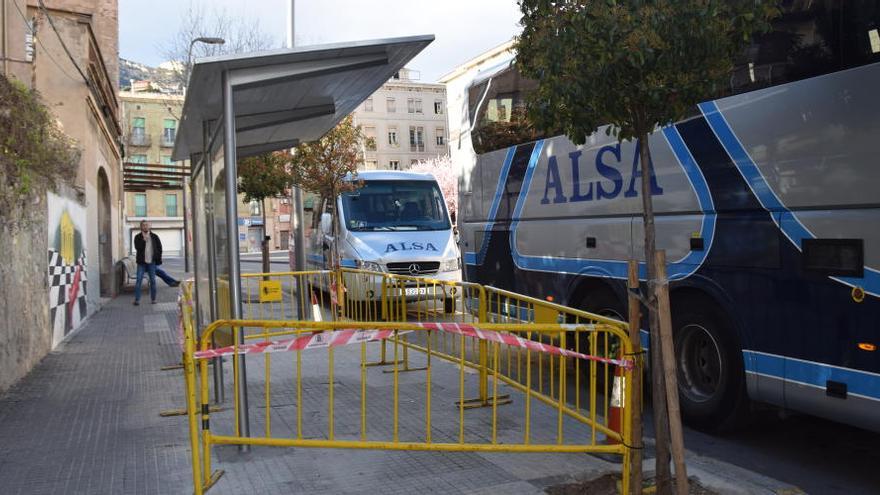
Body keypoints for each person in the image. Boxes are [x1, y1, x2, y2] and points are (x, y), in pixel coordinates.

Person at [132, 221, 178, 305]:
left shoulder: (154, 236)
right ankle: (137, 300)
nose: (145, 227)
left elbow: (159, 248)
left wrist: (158, 259)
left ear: (149, 226)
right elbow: (137, 248)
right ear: (141, 227)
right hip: (141, 263)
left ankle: (153, 299)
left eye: (147, 225)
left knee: (153, 281)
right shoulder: (137, 237)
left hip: (151, 263)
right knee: (138, 280)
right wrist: (143, 240)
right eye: (143, 225)